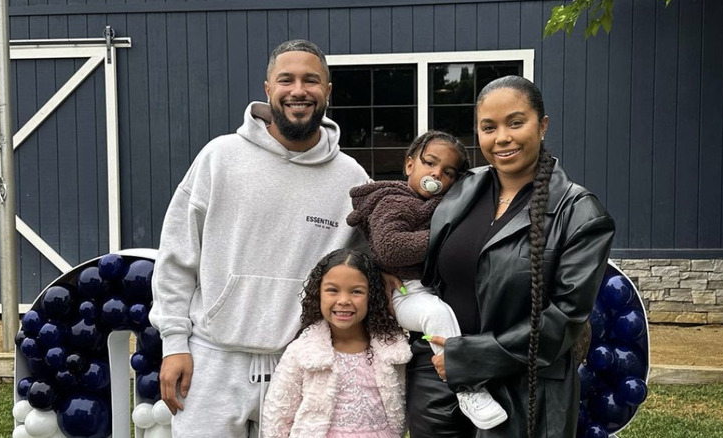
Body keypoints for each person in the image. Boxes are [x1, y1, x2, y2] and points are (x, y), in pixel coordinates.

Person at [149, 40, 370, 438]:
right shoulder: (219, 158)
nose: (298, 90)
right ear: (268, 89)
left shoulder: (351, 178)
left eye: (311, 80)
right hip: (212, 359)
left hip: (303, 361)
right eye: (286, 79)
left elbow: (366, 270)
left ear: (328, 92)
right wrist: (173, 343)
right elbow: (177, 258)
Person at [407, 75, 616, 437]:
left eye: (515, 123)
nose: (501, 137)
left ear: (543, 125)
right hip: (437, 385)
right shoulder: (460, 191)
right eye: (489, 127)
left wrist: (468, 358)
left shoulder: (580, 214)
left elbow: (563, 320)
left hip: (522, 394)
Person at [346, 130, 508, 430]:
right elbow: (390, 248)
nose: (437, 174)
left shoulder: (440, 205)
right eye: (430, 163)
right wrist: (445, 236)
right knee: (436, 313)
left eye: (448, 172)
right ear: (410, 165)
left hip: (427, 288)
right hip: (404, 293)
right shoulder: (393, 201)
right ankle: (466, 388)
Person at [261, 248, 411, 438]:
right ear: (318, 293)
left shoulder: (392, 350)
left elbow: (402, 404)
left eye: (356, 291)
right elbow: (277, 415)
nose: (344, 301)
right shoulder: (303, 351)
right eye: (332, 290)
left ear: (372, 296)